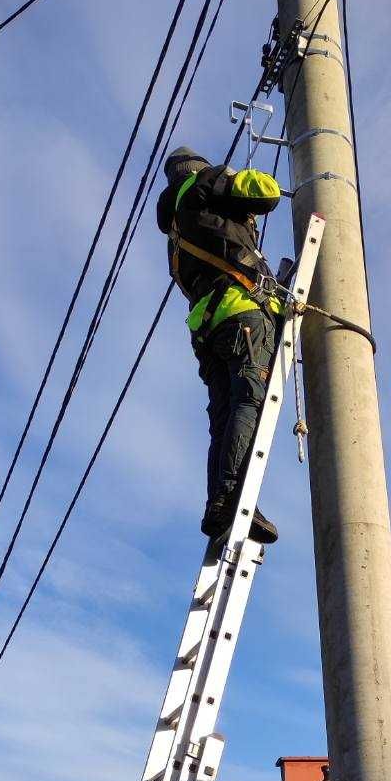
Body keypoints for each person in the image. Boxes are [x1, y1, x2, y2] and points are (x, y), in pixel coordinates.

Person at [157, 146, 283, 545]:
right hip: (241, 312)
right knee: (250, 404)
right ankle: (230, 499)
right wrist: (230, 175)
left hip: (207, 328)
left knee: (225, 418)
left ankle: (224, 499)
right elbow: (267, 191)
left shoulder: (175, 230)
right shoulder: (205, 182)